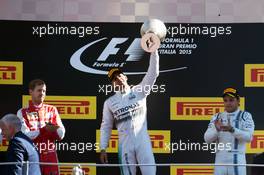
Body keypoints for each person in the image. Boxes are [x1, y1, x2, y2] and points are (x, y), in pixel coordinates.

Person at [100, 50, 159, 175]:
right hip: (125, 144)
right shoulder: (109, 102)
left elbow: (153, 74)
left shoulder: (139, 90)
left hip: (143, 141)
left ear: (125, 77)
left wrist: (154, 52)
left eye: (119, 75)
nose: (118, 79)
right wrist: (103, 148)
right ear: (113, 84)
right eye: (114, 79)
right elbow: (106, 127)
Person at [17, 79, 65, 175]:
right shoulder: (22, 112)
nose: (42, 93)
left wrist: (54, 131)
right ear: (31, 92)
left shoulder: (52, 110)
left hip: (50, 158)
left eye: (44, 91)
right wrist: (44, 130)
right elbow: (25, 136)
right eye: (39, 90)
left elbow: (61, 133)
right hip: (31, 156)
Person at [204, 87, 255, 175]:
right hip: (220, 161)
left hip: (237, 160)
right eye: (225, 100)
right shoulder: (216, 117)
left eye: (231, 100)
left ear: (238, 101)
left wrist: (232, 129)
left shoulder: (245, 116)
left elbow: (249, 138)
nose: (228, 103)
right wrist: (216, 130)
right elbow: (207, 139)